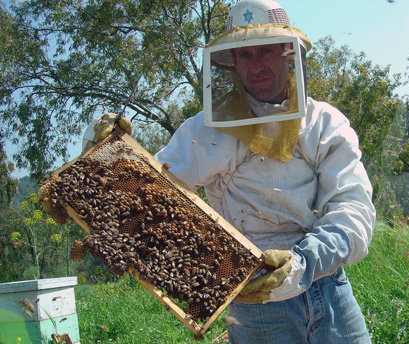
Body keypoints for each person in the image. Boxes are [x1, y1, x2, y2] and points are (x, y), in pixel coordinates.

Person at [85, 1, 375, 342]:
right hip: (254, 302)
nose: (256, 65)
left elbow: (352, 209)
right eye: (245, 55)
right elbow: (150, 190)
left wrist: (303, 263)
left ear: (288, 52)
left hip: (329, 287)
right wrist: (105, 158)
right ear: (233, 62)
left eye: (265, 51)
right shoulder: (206, 131)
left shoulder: (325, 123)